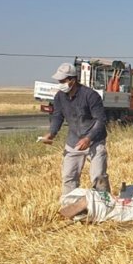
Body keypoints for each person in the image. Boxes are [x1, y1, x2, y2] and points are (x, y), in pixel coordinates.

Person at [38, 62, 110, 196]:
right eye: (59, 81)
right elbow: (57, 116)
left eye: (63, 81)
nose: (60, 83)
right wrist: (52, 133)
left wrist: (88, 138)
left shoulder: (90, 95)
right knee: (68, 177)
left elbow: (101, 120)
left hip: (94, 141)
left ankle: (104, 205)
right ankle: (70, 205)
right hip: (73, 141)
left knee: (98, 176)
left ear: (72, 80)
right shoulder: (59, 97)